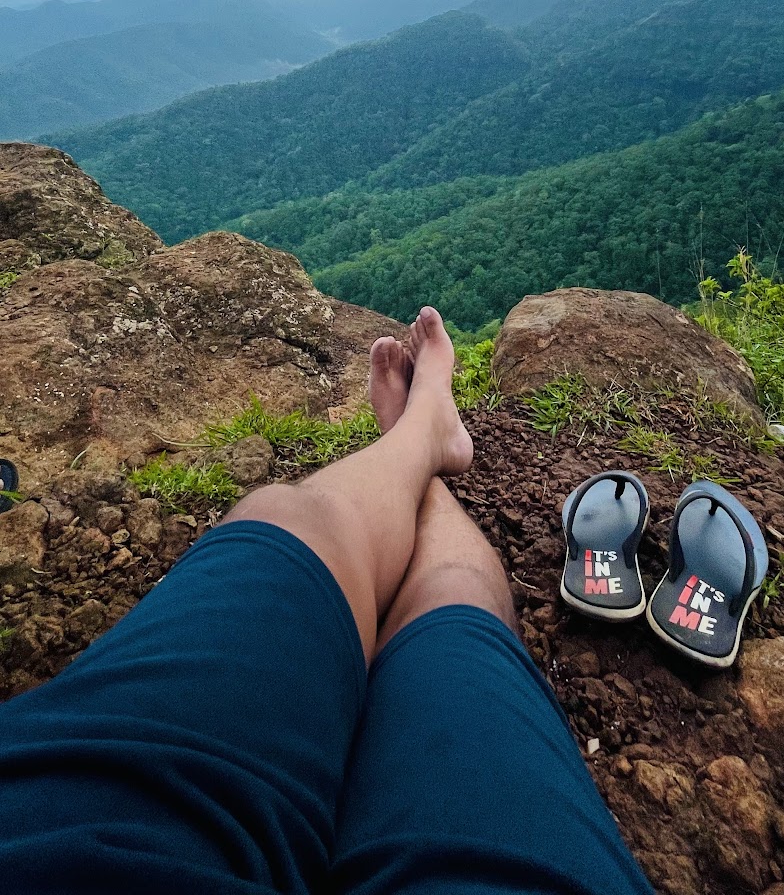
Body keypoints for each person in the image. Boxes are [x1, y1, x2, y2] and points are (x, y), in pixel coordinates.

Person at [0, 306, 652, 894]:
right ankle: (423, 438)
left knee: (280, 513)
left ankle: (419, 438)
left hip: (49, 835)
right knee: (452, 609)